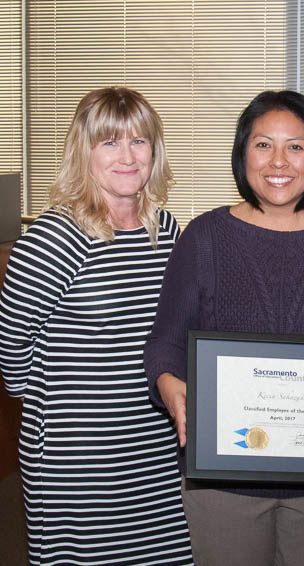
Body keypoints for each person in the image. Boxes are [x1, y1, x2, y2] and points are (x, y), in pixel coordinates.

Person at [144, 89, 304, 566]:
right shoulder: (204, 238)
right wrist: (171, 386)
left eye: (295, 146)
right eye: (263, 144)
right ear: (243, 154)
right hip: (223, 482)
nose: (279, 161)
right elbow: (165, 342)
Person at [0, 87, 192, 565]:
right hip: (78, 458)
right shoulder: (53, 239)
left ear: (156, 150)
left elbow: (176, 334)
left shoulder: (168, 232)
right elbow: (12, 359)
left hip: (157, 450)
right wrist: (64, 402)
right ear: (83, 152)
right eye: (109, 142)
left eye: (139, 141)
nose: (127, 156)